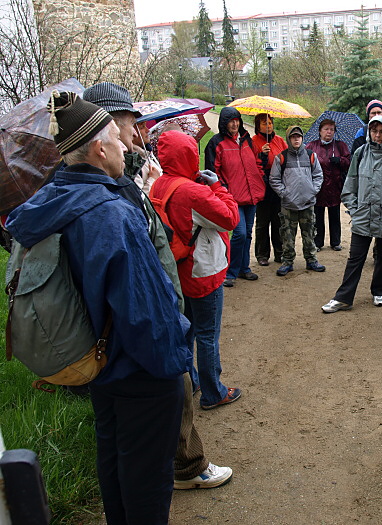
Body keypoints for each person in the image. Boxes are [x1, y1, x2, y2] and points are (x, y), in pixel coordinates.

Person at [6, 91, 189, 523]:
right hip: (140, 371)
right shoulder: (111, 214)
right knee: (146, 479)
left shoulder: (51, 201)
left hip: (98, 362)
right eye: (118, 139)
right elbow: (147, 314)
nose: (128, 147)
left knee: (115, 462)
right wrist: (176, 363)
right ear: (98, 148)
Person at [83, 82, 233, 489]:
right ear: (103, 135)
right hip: (164, 305)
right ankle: (193, 447)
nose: (134, 136)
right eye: (126, 127)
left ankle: (181, 447)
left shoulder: (143, 182)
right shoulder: (116, 197)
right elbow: (228, 219)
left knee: (115, 436)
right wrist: (215, 186)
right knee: (198, 345)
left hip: (150, 304)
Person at [152, 130, 243, 412]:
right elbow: (229, 218)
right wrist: (218, 187)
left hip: (178, 269)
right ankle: (213, 392)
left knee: (188, 330)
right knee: (207, 333)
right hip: (203, 271)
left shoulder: (159, 185)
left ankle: (192, 379)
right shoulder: (193, 191)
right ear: (190, 155)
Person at [322, 115, 382, 313]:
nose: (378, 136)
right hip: (363, 214)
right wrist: (356, 210)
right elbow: (350, 185)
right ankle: (344, 298)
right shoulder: (361, 152)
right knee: (355, 257)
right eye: (374, 131)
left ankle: (378, 291)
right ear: (369, 132)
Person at [205, 107, 265, 286]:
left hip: (251, 194)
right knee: (238, 233)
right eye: (231, 121)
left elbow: (257, 162)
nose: (235, 124)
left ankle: (244, 268)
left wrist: (259, 177)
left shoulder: (247, 140)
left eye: (237, 120)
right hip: (232, 197)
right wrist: (224, 189)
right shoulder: (217, 143)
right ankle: (230, 271)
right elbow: (212, 171)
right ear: (224, 123)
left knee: (247, 234)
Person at [269, 125, 325, 276]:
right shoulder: (281, 157)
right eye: (293, 137)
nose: (296, 139)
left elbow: (318, 175)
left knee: (310, 233)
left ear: (302, 138)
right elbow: (274, 179)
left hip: (307, 203)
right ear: (289, 139)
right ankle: (287, 261)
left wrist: (313, 191)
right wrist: (284, 193)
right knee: (287, 235)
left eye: (298, 136)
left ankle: (311, 259)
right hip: (288, 205)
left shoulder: (310, 155)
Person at [306, 118, 351, 251]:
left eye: (331, 129)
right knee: (317, 215)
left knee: (334, 215)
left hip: (335, 186)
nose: (329, 132)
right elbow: (305, 163)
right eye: (326, 129)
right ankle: (317, 242)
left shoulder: (340, 145)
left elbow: (349, 162)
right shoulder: (311, 146)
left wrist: (340, 160)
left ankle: (335, 241)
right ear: (320, 131)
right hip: (318, 186)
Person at [251, 113, 287, 266]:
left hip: (278, 183)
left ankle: (280, 252)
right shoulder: (253, 142)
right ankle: (262, 254)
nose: (268, 126)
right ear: (258, 126)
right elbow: (251, 164)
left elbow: (287, 157)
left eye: (270, 123)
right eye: (265, 123)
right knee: (263, 221)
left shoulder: (279, 141)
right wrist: (262, 156)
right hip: (262, 183)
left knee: (278, 220)